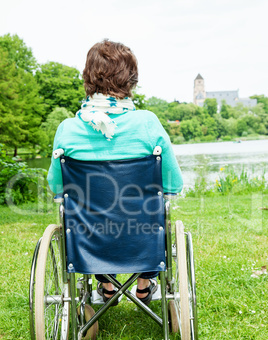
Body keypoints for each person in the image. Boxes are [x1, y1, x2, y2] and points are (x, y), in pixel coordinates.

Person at [47, 39, 183, 305]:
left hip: (91, 241)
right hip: (142, 233)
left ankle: (107, 286)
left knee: (85, 221)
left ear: (88, 77)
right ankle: (144, 286)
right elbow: (173, 182)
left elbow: (56, 186)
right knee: (154, 215)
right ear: (130, 79)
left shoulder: (67, 129)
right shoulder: (147, 123)